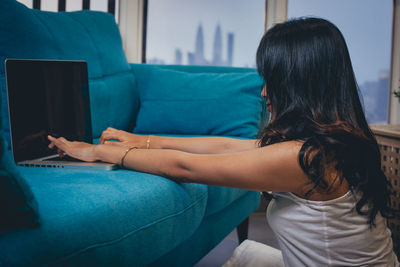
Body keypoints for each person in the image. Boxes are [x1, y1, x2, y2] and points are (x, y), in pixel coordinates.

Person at [48, 17, 399, 266]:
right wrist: (142, 138)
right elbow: (228, 146)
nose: (264, 93)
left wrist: (100, 151)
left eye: (272, 82)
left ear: (299, 85)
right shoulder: (335, 140)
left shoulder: (304, 157)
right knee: (248, 253)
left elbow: (185, 167)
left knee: (247, 255)